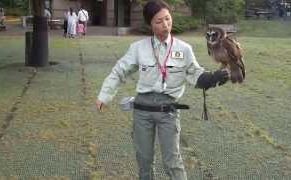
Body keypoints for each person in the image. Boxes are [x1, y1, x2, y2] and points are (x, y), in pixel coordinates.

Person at [95, 0, 229, 179]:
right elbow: (119, 71)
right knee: (144, 161)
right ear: (149, 24)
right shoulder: (138, 48)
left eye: (167, 18)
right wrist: (104, 95)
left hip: (169, 112)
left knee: (172, 162)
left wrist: (212, 78)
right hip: (142, 111)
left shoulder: (184, 49)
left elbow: (195, 74)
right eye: (158, 21)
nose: (165, 25)